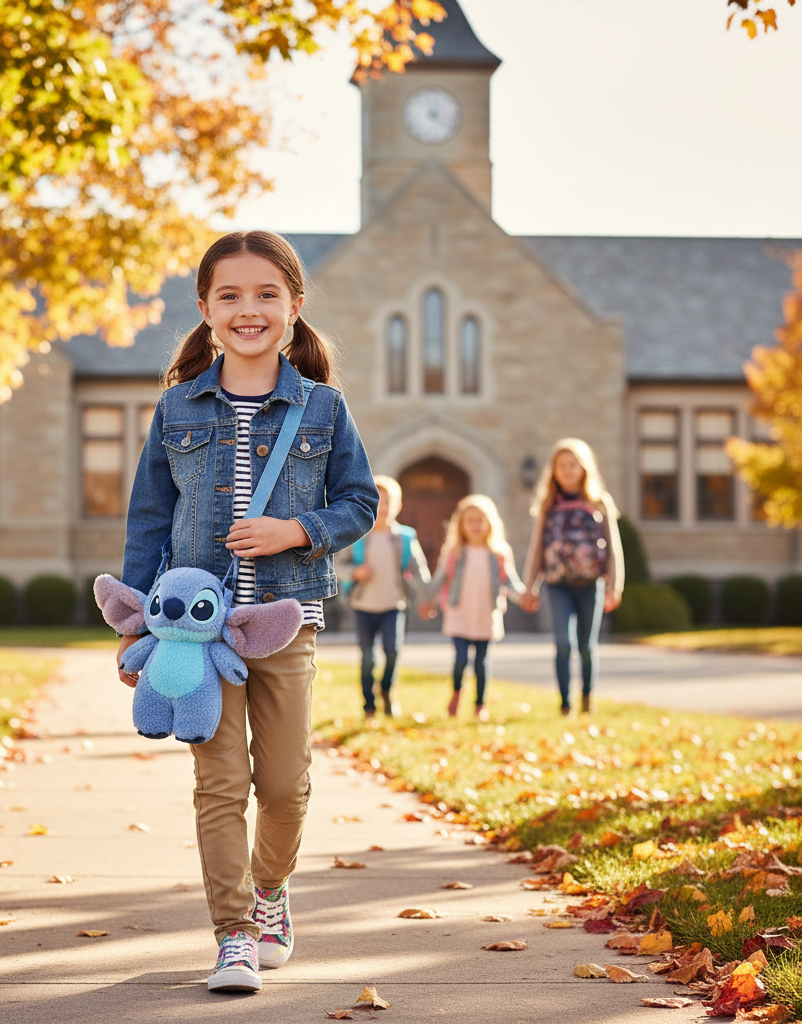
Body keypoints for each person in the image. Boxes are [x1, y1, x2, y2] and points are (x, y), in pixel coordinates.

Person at [116, 231, 378, 995]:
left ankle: (270, 892)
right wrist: (135, 633)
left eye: (267, 294)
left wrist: (298, 530)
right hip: (193, 635)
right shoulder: (175, 409)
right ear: (204, 310)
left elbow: (360, 500)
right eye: (229, 295)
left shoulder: (324, 408)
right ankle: (233, 936)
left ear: (295, 309)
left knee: (287, 786)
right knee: (220, 783)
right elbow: (147, 525)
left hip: (286, 622)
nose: (248, 309)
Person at [519, 438, 624, 716]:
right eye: (561, 465)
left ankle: (587, 698)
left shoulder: (599, 502)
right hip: (557, 585)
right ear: (553, 470)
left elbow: (614, 547)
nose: (567, 470)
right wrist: (529, 586)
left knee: (587, 646)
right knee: (563, 643)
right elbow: (537, 548)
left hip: (592, 584)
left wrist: (615, 584)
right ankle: (565, 703)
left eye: (572, 465)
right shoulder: (548, 505)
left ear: (584, 468)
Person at [420, 495, 524, 721]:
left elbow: (510, 580)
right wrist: (428, 599)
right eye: (470, 521)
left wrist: (523, 595)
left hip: (486, 613)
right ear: (461, 525)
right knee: (460, 659)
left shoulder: (498, 553)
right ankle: (457, 692)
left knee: (482, 662)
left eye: (480, 520)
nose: (475, 525)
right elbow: (440, 580)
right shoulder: (455, 553)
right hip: (460, 612)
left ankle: (480, 705)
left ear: (490, 523)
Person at [339, 475, 430, 718]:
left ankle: (388, 691)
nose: (383, 508)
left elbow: (420, 570)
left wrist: (427, 598)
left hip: (394, 604)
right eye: (378, 502)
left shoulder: (405, 537)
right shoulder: (358, 536)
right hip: (364, 605)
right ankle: (369, 704)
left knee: (393, 651)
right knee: (367, 657)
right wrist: (354, 572)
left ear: (397, 506)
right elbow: (337, 565)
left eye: (388, 502)